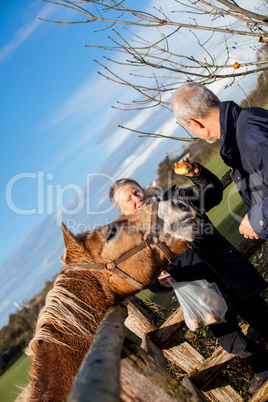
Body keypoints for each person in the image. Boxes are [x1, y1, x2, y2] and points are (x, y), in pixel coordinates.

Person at [109, 161, 268, 394]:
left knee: (261, 317)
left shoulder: (175, 201)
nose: (137, 198)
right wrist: (159, 282)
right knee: (230, 340)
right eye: (128, 199)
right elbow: (150, 281)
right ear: (122, 211)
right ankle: (263, 366)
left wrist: (198, 174)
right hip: (200, 293)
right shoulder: (135, 243)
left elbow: (211, 193)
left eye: (136, 191)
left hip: (227, 273)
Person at [171, 82, 268, 240]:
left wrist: (259, 219)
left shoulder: (249, 136)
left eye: (190, 129)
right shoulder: (246, 121)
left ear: (194, 123)